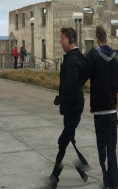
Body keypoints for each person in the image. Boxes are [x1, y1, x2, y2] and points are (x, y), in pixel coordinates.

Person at [78, 26, 118, 189]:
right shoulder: (115, 60)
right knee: (112, 152)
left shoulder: (93, 56)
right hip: (112, 112)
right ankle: (114, 185)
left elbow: (81, 78)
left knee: (101, 150)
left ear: (97, 38)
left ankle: (106, 181)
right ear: (106, 38)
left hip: (99, 112)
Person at [47, 28, 90, 188]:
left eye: (62, 39)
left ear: (71, 40)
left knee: (63, 141)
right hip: (74, 104)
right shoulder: (76, 57)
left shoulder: (72, 60)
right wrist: (62, 98)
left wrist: (63, 100)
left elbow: (72, 86)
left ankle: (54, 177)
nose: (60, 41)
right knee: (67, 138)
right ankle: (81, 168)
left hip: (73, 106)